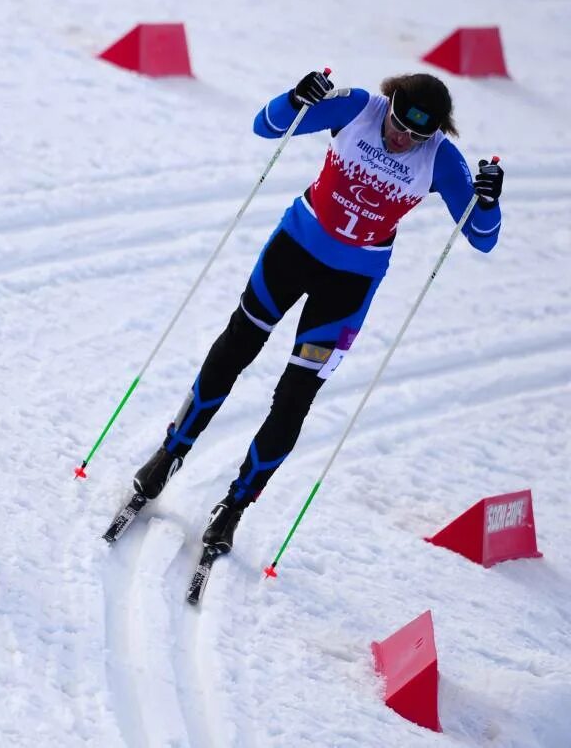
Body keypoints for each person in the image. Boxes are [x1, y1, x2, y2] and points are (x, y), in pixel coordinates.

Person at [127, 71, 505, 553]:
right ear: (389, 104)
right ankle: (170, 453)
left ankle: (235, 505)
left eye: (418, 135)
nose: (402, 139)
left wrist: (488, 201)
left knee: (295, 395)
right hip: (294, 249)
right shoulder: (356, 108)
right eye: (398, 125)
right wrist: (295, 97)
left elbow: (482, 237)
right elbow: (266, 126)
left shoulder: (441, 160)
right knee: (236, 346)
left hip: (349, 284)